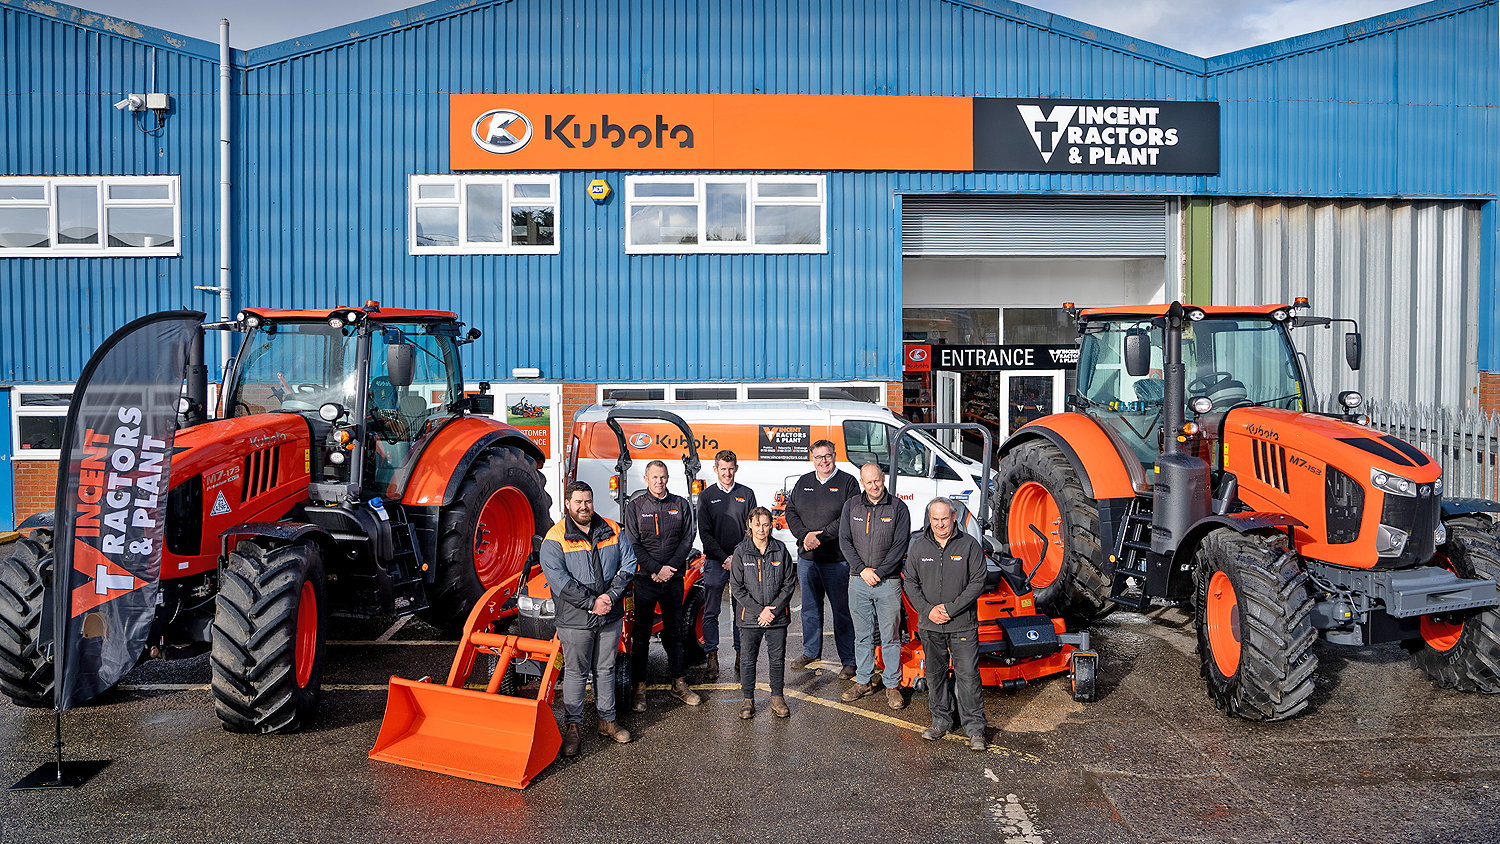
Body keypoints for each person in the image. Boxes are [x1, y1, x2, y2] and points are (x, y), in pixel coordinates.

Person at [537, 481, 637, 756]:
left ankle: (608, 721)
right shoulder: (555, 539)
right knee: (576, 672)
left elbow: (628, 564)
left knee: (605, 670)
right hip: (575, 618)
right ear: (567, 504)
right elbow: (560, 581)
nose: (584, 507)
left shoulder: (613, 530)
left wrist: (610, 597)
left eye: (588, 501)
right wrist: (592, 603)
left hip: (610, 614)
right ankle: (573, 728)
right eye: (578, 502)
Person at [903, 497, 989, 751]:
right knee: (935, 675)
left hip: (962, 624)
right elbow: (910, 582)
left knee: (968, 676)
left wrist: (951, 609)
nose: (940, 524)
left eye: (945, 519)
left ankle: (975, 729)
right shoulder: (918, 547)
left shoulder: (969, 546)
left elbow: (977, 582)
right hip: (930, 626)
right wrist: (928, 610)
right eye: (935, 519)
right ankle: (941, 721)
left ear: (954, 518)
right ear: (929, 519)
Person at [623, 459, 703, 710]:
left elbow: (687, 538)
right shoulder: (635, 507)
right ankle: (639, 688)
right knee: (642, 635)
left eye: (664, 477)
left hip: (673, 579)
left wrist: (669, 569)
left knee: (675, 632)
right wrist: (655, 569)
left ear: (668, 478)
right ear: (646, 479)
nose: (660, 482)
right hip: (646, 580)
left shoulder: (679, 504)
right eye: (655, 477)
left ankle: (679, 683)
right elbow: (633, 544)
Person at [838, 461, 911, 709]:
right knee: (862, 635)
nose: (874, 486)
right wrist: (862, 570)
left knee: (890, 635)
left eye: (877, 480)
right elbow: (845, 541)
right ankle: (864, 681)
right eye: (868, 482)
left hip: (888, 582)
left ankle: (892, 685)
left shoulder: (899, 508)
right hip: (858, 581)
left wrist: (878, 572)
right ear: (862, 483)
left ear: (883, 478)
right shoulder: (851, 506)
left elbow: (900, 544)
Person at [784, 439, 860, 677]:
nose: (823, 461)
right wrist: (804, 535)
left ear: (834, 455)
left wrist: (822, 536)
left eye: (827, 456)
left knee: (841, 611)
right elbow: (791, 511)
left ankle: (848, 659)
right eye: (818, 457)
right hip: (808, 558)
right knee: (809, 608)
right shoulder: (803, 482)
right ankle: (811, 651)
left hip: (837, 560)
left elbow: (848, 516)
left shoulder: (848, 482)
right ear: (812, 458)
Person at [729, 506, 796, 719]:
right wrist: (760, 610)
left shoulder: (780, 549)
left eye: (765, 524)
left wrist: (772, 611)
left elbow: (788, 583)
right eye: (757, 524)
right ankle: (748, 699)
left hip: (777, 617)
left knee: (777, 659)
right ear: (749, 524)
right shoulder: (741, 551)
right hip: (749, 617)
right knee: (748, 660)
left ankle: (777, 697)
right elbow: (737, 587)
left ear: (771, 525)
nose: (761, 529)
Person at [697, 449, 758, 677]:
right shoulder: (706, 496)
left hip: (741, 563)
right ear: (715, 469)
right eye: (723, 469)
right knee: (711, 612)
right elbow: (705, 533)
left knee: (740, 611)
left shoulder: (747, 493)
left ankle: (740, 655)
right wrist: (725, 558)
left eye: (731, 469)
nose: (727, 473)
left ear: (736, 468)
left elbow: (751, 530)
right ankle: (712, 657)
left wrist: (737, 558)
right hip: (715, 562)